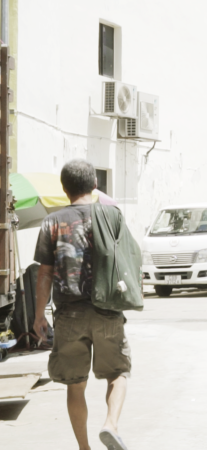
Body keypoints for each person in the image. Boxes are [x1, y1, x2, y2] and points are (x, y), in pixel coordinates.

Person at [33, 160, 131, 450]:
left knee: (75, 384)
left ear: (65, 189)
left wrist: (39, 314)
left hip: (68, 314)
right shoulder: (112, 216)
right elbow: (128, 260)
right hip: (107, 311)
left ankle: (84, 448)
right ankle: (110, 425)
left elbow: (44, 273)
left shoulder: (52, 221)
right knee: (118, 373)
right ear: (95, 185)